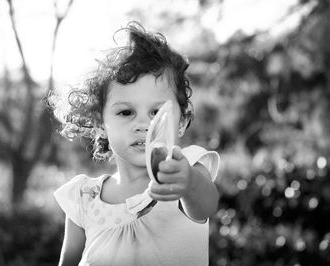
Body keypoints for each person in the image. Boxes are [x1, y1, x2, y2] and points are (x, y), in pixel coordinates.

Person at [49, 21, 220, 266]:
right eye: (126, 112)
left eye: (156, 112)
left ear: (181, 121)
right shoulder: (82, 197)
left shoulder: (186, 168)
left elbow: (206, 206)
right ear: (100, 123)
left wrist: (189, 182)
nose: (143, 125)